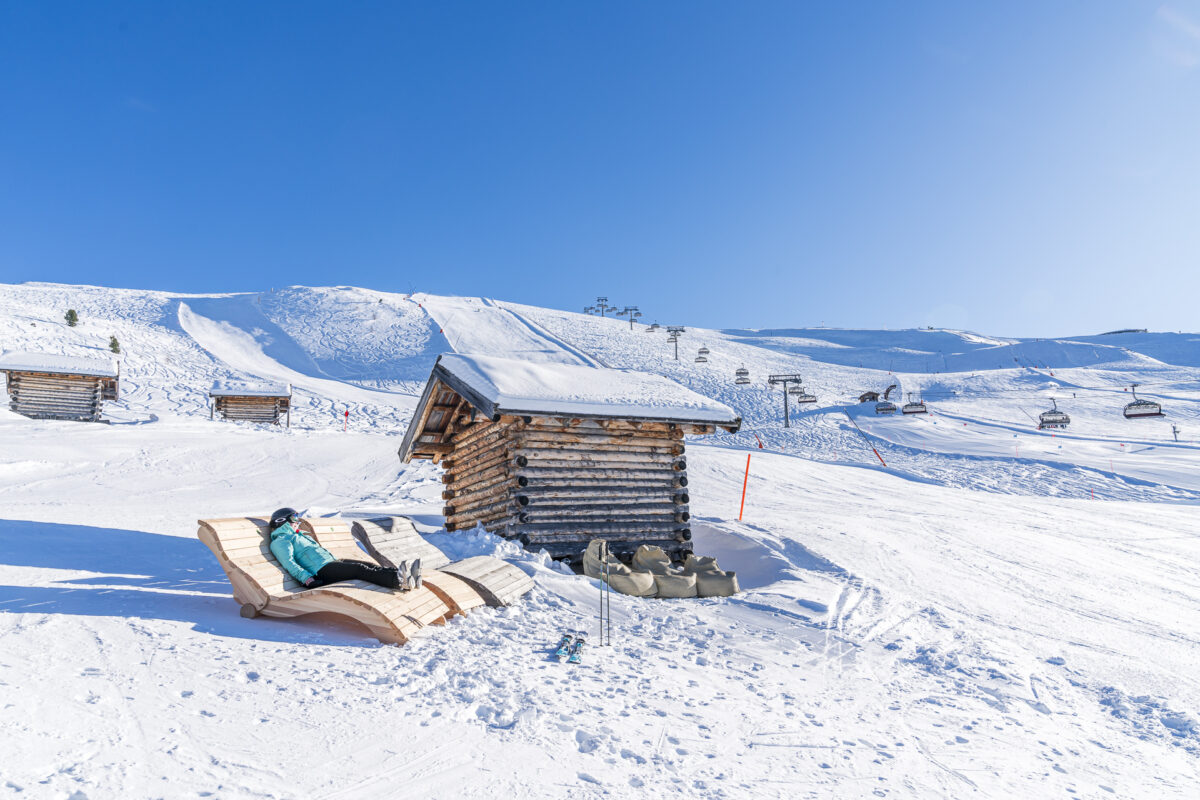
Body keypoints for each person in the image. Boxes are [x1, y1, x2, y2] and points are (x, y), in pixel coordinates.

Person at [267, 508, 421, 591]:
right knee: (359, 570)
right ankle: (398, 581)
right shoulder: (281, 540)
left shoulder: (297, 535)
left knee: (369, 566)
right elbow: (288, 562)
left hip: (330, 563)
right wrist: (307, 579)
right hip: (320, 571)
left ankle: (404, 577)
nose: (298, 522)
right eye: (294, 519)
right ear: (282, 522)